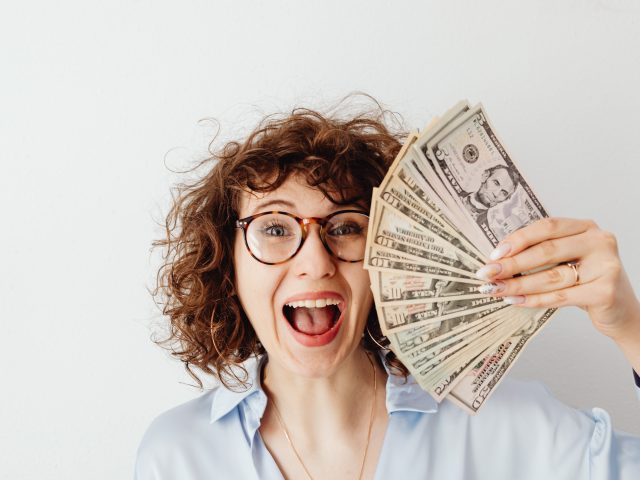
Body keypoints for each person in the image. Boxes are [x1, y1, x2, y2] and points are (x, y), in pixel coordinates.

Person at [135, 100, 640, 479]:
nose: (315, 262)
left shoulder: (509, 427)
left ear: (389, 257)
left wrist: (629, 326)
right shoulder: (177, 454)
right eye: (274, 228)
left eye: (346, 227)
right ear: (230, 265)